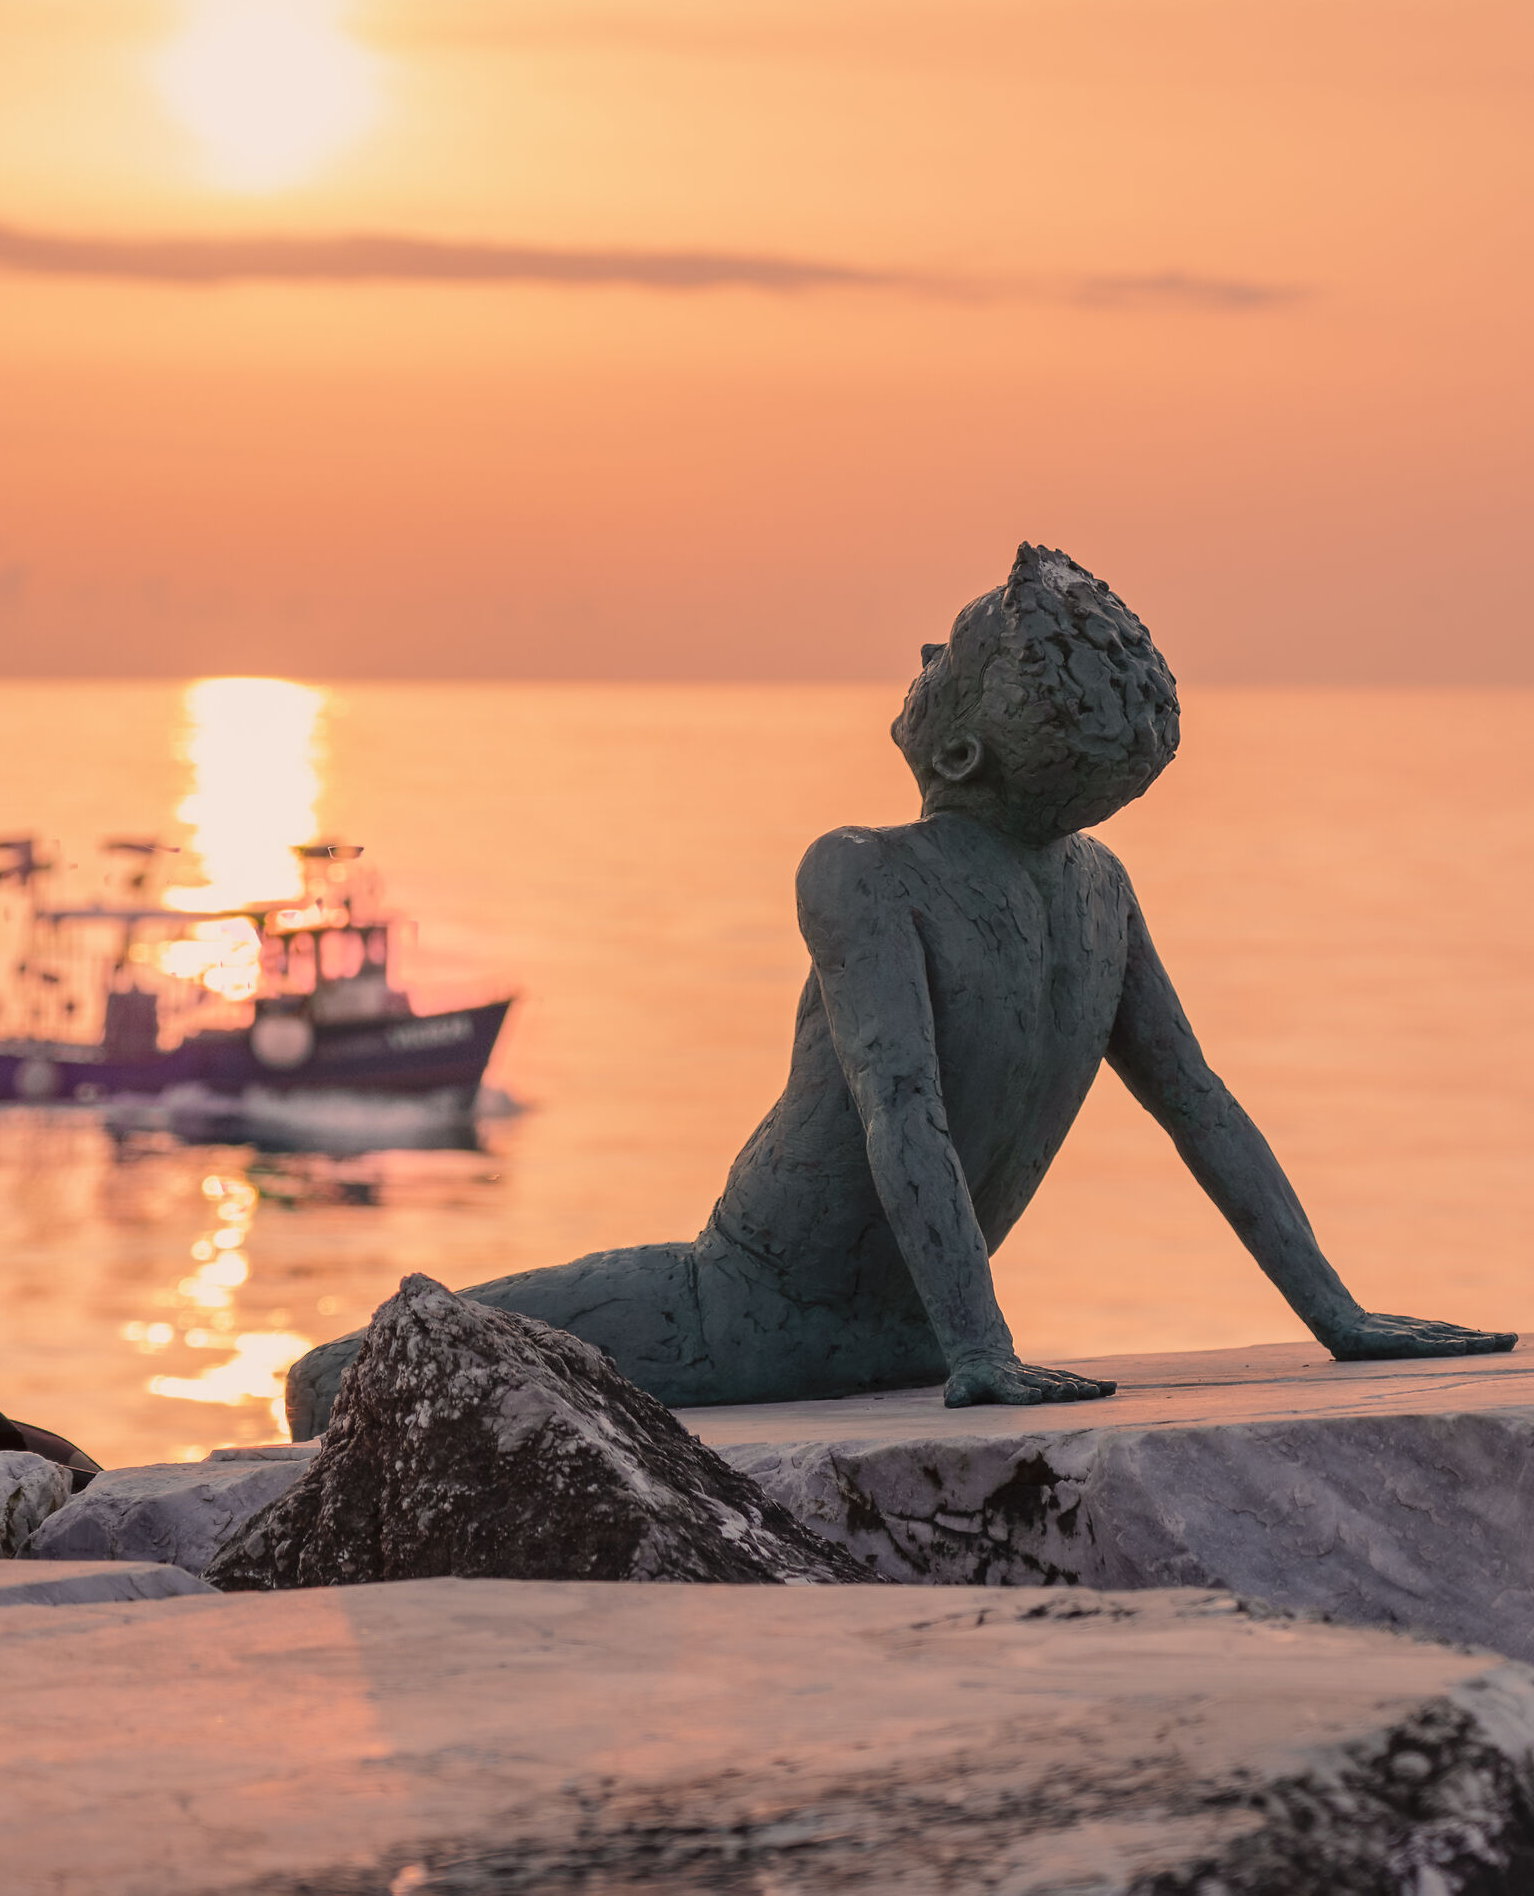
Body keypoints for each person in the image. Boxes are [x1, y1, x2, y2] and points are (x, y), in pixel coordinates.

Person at [286, 543, 1512, 1436]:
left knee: (336, 1378)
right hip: (914, 1336)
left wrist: (984, 1353)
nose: (924, 656)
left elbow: (901, 1107)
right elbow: (1200, 1105)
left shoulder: (864, 869)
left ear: (960, 750)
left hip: (744, 1310)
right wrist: (1337, 1314)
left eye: (950, 654)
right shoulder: (1101, 893)